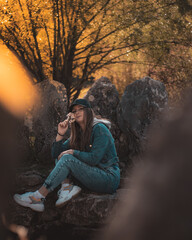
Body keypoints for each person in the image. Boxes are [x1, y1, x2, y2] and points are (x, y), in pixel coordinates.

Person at [13, 98, 120, 212]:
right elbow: (56, 154)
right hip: (92, 174)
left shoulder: (99, 129)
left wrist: (73, 152)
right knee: (62, 156)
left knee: (67, 157)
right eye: (74, 111)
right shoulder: (78, 134)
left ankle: (37, 197)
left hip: (108, 178)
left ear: (88, 111)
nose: (77, 112)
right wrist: (60, 134)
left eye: (80, 109)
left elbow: (94, 159)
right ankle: (66, 188)